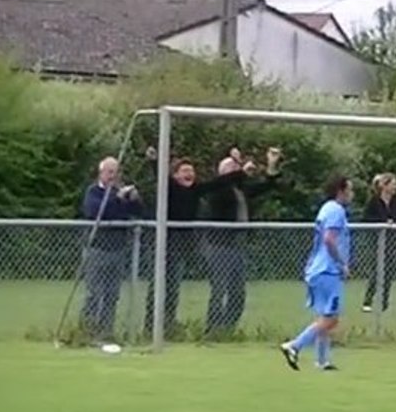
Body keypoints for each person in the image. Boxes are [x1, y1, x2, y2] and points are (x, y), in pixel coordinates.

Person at [139, 147, 251, 337]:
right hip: (164, 244)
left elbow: (219, 182)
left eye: (191, 171)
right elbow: (161, 176)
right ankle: (151, 326)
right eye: (184, 171)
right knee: (158, 286)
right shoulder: (171, 188)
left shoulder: (196, 190)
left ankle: (168, 324)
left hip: (181, 245)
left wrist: (241, 171)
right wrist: (154, 160)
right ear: (175, 175)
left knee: (173, 287)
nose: (189, 174)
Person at [203, 147, 281, 338]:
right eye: (231, 168)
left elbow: (266, 186)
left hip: (237, 246)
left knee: (238, 292)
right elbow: (226, 184)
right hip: (219, 246)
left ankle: (228, 329)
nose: (235, 171)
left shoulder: (241, 190)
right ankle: (212, 329)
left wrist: (271, 165)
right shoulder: (217, 190)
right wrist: (240, 168)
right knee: (219, 289)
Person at [280, 176, 354, 372]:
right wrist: (342, 263)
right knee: (331, 318)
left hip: (318, 269)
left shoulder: (326, 208)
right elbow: (330, 240)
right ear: (341, 190)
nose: (352, 194)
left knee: (324, 317)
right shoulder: (336, 210)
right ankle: (294, 345)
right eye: (350, 190)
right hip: (327, 271)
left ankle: (322, 361)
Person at [80, 156, 144, 342]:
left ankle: (106, 332)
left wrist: (134, 199)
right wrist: (116, 198)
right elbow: (96, 212)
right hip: (97, 249)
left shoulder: (120, 194)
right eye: (109, 172)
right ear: (101, 173)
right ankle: (87, 331)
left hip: (118, 250)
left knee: (112, 294)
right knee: (94, 293)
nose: (112, 176)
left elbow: (138, 212)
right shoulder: (93, 192)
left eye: (115, 172)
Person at [361, 172, 396, 313]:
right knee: (376, 270)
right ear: (385, 186)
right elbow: (366, 218)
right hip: (376, 240)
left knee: (389, 271)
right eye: (393, 184)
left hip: (392, 241)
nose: (395, 187)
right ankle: (368, 300)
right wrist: (382, 222)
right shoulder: (374, 201)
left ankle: (384, 302)